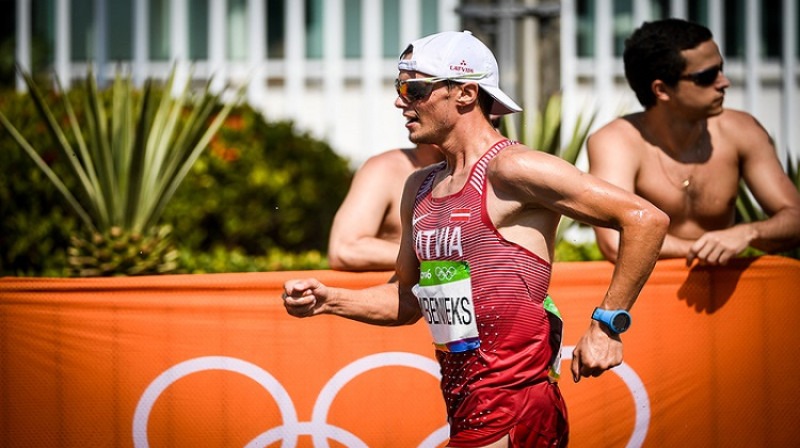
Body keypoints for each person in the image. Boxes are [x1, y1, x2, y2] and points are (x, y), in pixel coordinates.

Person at [282, 31, 668, 447]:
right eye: (399, 87)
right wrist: (330, 300)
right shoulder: (420, 187)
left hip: (516, 407)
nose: (400, 100)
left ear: (465, 93)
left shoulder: (515, 170)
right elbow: (408, 298)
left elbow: (644, 219)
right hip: (467, 408)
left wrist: (607, 326)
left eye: (414, 88)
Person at [587, 18, 800, 266]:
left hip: (718, 293)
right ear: (662, 90)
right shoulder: (617, 141)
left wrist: (746, 232)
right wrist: (708, 248)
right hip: (651, 291)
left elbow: (795, 219)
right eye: (707, 76)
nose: (723, 82)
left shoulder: (742, 131)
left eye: (721, 68)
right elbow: (613, 243)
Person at [327, 144, 443, 271]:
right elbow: (344, 249)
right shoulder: (387, 168)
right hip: (403, 288)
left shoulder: (465, 176)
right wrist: (436, 256)